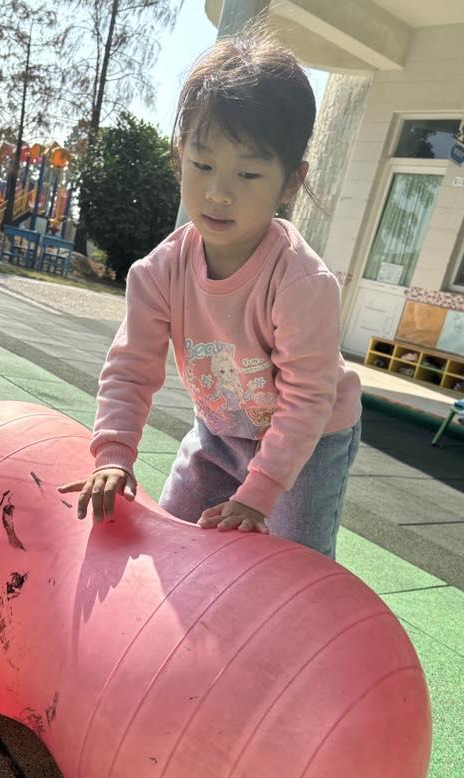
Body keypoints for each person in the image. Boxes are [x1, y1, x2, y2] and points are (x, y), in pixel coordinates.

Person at [59, 28, 362, 559]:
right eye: (202, 165)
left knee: (291, 561)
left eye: (248, 173)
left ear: (291, 182)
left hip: (310, 441)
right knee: (174, 538)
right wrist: (114, 455)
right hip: (220, 432)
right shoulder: (160, 272)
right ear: (181, 158)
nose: (219, 192)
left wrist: (260, 493)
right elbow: (130, 369)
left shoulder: (301, 282)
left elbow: (307, 398)